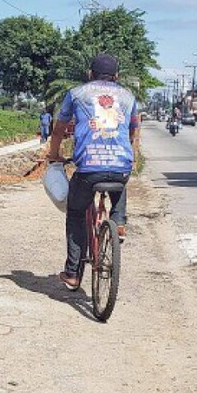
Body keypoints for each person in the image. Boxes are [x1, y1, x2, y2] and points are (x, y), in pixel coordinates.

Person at [45, 53, 141, 291]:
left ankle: (72, 273)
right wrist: (131, 156)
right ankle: (118, 221)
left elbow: (58, 129)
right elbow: (133, 132)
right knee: (120, 180)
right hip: (120, 168)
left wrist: (54, 154)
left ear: (90, 74)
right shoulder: (128, 97)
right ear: (116, 77)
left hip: (88, 170)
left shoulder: (77, 94)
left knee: (76, 212)